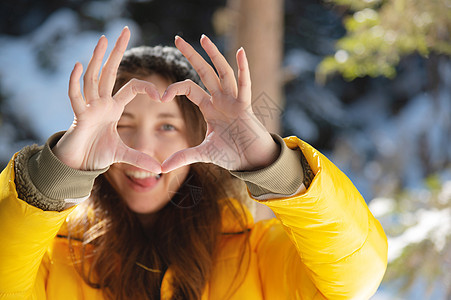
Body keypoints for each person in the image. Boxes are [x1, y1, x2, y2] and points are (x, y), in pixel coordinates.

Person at [0, 27, 387, 299]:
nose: (143, 148)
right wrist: (56, 175)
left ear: (198, 136)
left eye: (167, 125)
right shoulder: (53, 257)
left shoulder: (255, 254)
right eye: (123, 125)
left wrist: (272, 166)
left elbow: (353, 279)